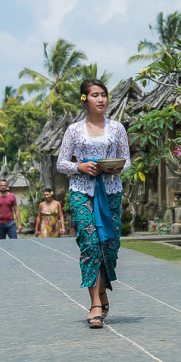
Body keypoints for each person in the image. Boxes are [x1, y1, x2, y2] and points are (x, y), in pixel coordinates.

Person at [56, 78, 130, 328]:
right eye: (95, 95)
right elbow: (61, 162)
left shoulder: (117, 128)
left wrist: (115, 168)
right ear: (84, 99)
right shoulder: (74, 130)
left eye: (104, 95)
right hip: (82, 192)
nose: (100, 99)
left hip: (110, 192)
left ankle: (102, 292)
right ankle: (95, 304)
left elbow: (126, 160)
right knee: (90, 245)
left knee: (109, 245)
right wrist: (80, 166)